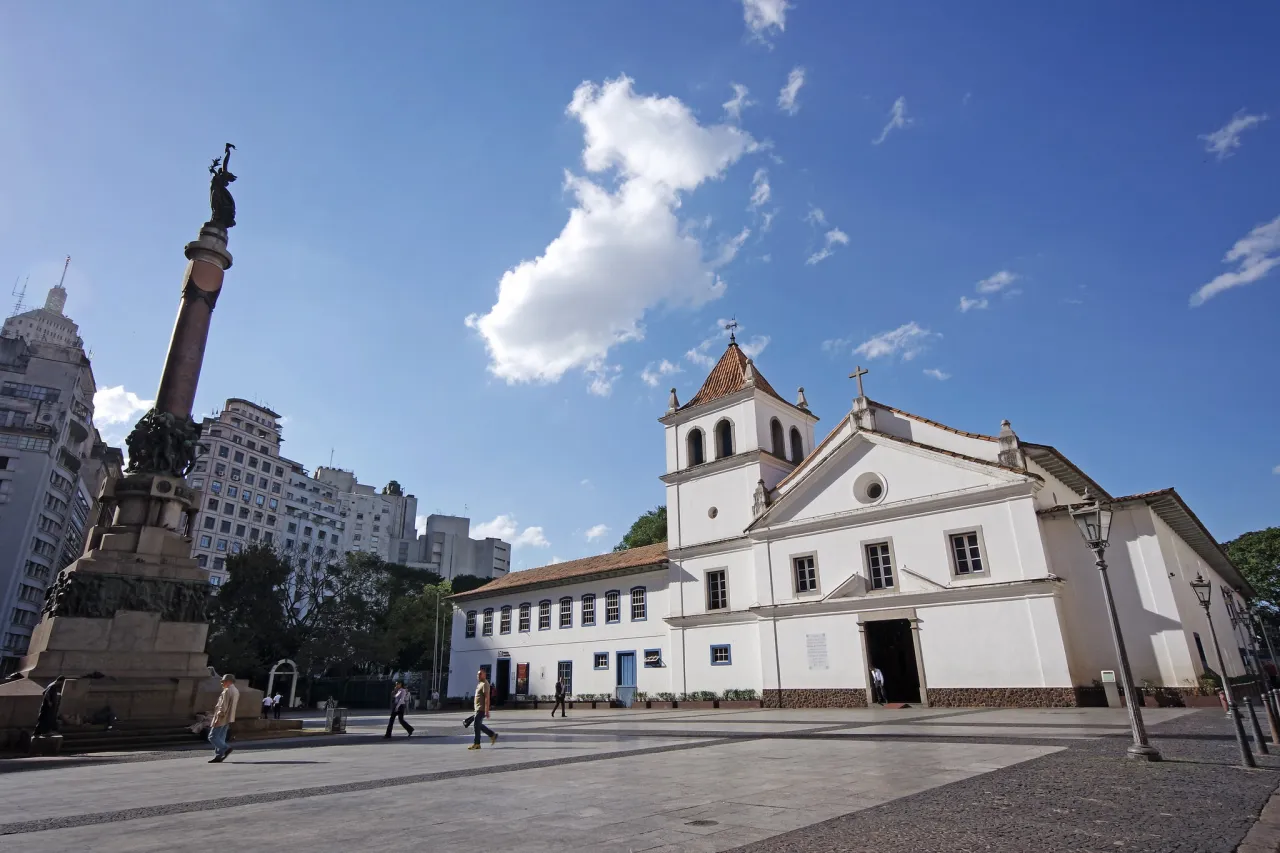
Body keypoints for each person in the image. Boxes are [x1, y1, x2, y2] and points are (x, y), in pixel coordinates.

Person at [209, 673, 239, 763]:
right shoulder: (236, 690)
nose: (222, 683)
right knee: (221, 737)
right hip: (229, 718)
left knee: (212, 736)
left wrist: (218, 717)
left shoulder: (227, 691)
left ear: (228, 681)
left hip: (222, 717)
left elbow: (223, 706)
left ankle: (226, 748)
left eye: (224, 681)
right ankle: (219, 755)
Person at [468, 669, 498, 750]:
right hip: (477, 708)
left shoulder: (485, 684)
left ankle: (477, 743)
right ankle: (492, 735)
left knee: (476, 725)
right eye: (477, 674)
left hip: (481, 708)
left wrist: (487, 710)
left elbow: (487, 698)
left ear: (484, 675)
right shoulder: (480, 684)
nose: (478, 676)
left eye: (480, 674)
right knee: (478, 725)